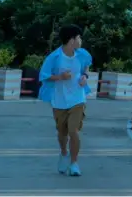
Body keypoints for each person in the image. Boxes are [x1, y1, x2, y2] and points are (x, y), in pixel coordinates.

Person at [39, 24, 93, 177]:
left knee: (73, 131)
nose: (80, 40)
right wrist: (60, 77)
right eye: (78, 38)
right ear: (71, 40)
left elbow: (86, 68)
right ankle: (64, 153)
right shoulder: (54, 58)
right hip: (59, 101)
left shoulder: (82, 54)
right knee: (62, 133)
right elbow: (44, 76)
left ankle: (74, 163)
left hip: (78, 99)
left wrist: (85, 77)